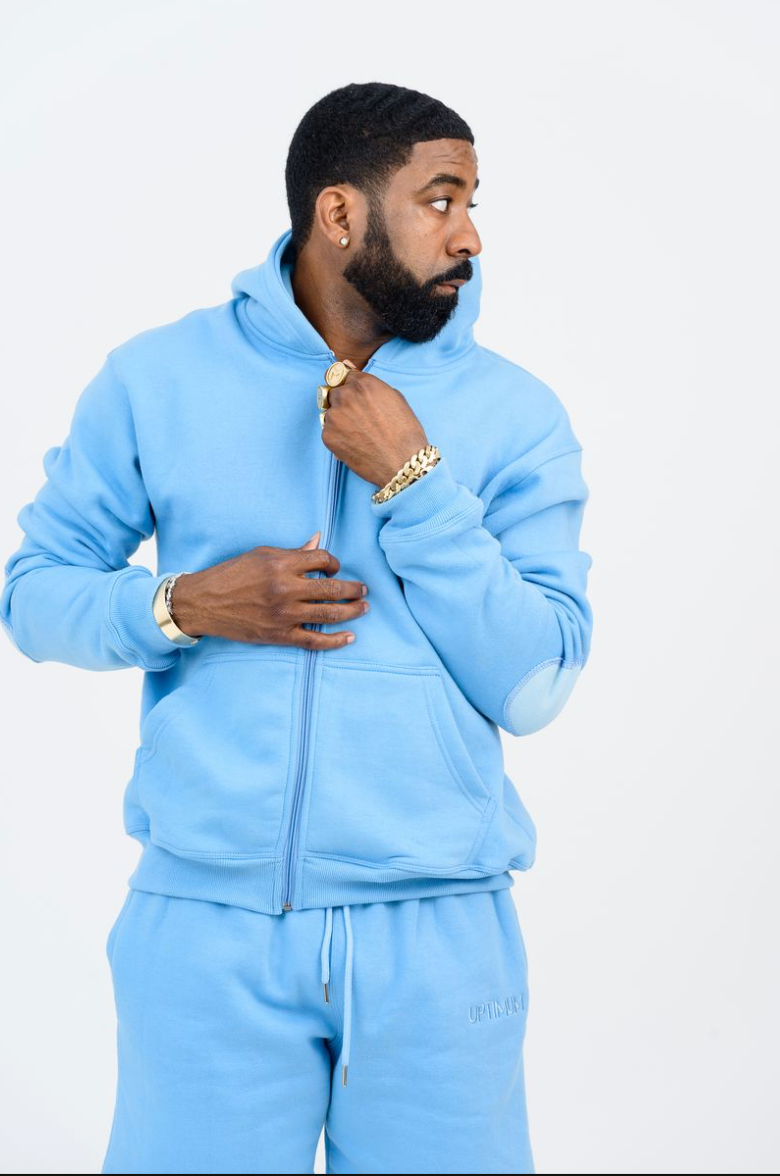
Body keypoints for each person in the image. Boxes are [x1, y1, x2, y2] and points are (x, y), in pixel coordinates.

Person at [1, 81, 593, 1174]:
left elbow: (535, 683)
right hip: (205, 926)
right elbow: (34, 593)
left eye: (472, 204)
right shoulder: (159, 378)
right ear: (340, 214)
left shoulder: (517, 414)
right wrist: (185, 603)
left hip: (437, 937)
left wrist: (414, 480)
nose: (470, 236)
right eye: (441, 200)